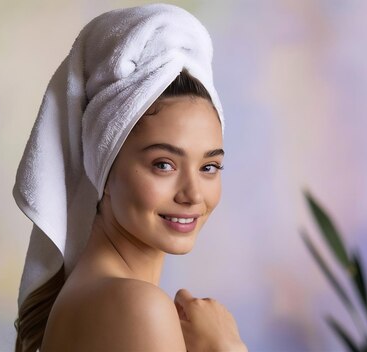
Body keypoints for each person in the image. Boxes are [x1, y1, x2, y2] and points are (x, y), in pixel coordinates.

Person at [13, 4, 246, 351]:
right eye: (163, 164)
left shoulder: (97, 293)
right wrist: (226, 348)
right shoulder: (137, 306)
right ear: (103, 168)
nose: (193, 194)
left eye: (208, 167)